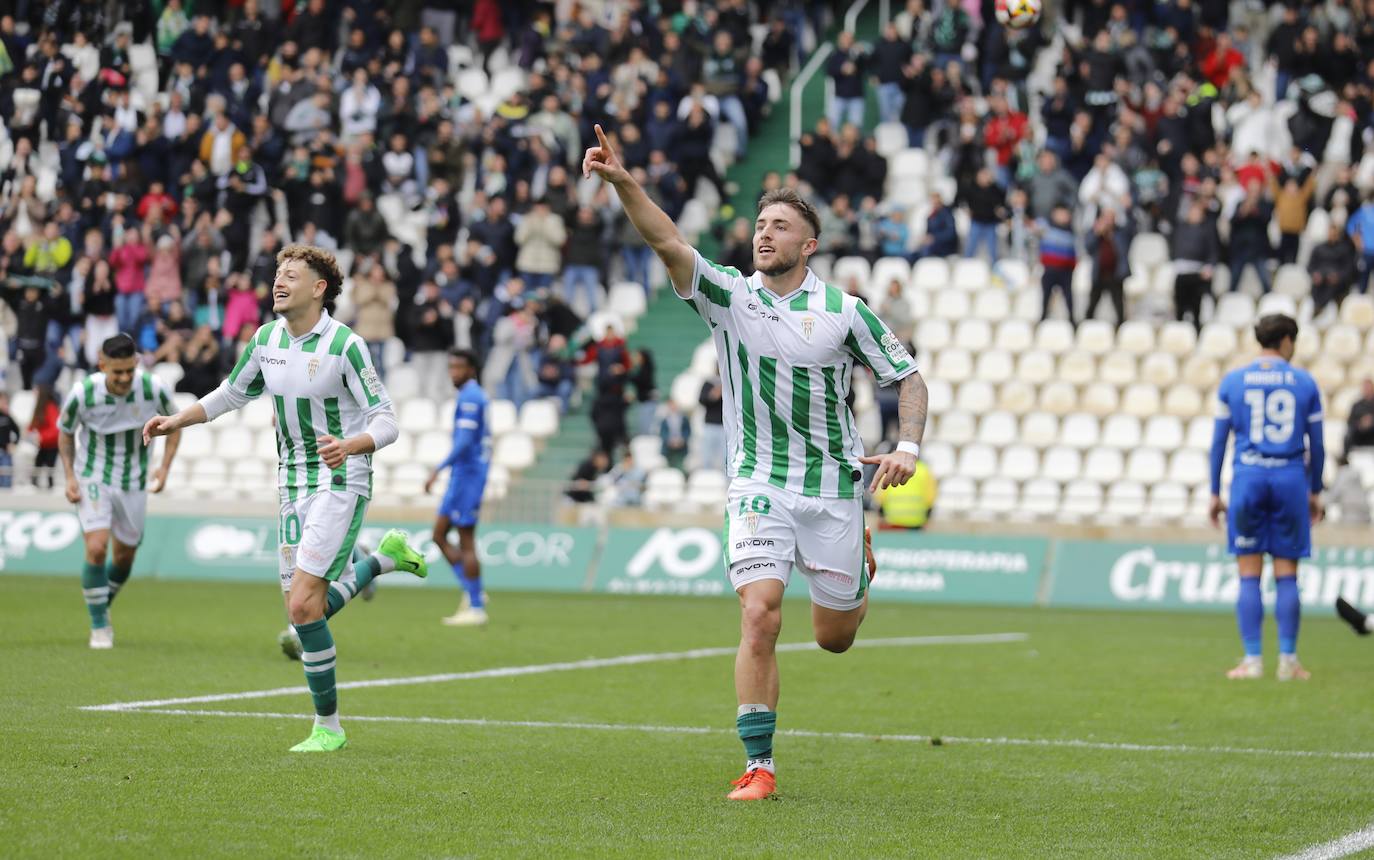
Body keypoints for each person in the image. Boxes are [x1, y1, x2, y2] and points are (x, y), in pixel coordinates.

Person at [584, 125, 927, 801]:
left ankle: (858, 566)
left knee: (833, 639)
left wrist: (908, 446)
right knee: (760, 614)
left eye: (781, 227)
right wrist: (623, 182)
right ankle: (759, 764)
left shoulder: (845, 312)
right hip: (758, 482)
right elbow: (668, 243)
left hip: (831, 488)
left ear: (810, 244)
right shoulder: (730, 296)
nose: (765, 235)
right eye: (761, 225)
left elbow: (908, 379)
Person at [144, 245, 429, 753]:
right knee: (303, 611)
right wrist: (176, 420)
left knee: (301, 606)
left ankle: (328, 728)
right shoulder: (266, 339)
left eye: (291, 276)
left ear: (318, 289)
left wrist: (352, 445)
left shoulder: (345, 345)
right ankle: (383, 558)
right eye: (278, 273)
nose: (279, 281)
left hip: (340, 478)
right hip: (291, 481)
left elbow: (386, 420)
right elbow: (231, 393)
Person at [1209, 314, 1325, 682]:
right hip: (1289, 478)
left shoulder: (1234, 381)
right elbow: (1317, 444)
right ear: (1287, 340)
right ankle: (1288, 661)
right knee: (1287, 573)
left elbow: (1219, 442)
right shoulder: (1304, 382)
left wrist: (1214, 491)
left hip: (1248, 477)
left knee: (1249, 574)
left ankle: (1252, 661)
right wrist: (1315, 490)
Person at [56, 335, 181, 649]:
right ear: (102, 365)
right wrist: (69, 476)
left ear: (136, 363)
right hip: (93, 476)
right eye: (117, 372)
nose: (125, 378)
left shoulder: (153, 388)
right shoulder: (83, 393)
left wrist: (164, 468)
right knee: (97, 547)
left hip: (134, 481)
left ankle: (99, 603)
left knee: (125, 557)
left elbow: (175, 424)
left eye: (129, 370)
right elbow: (66, 433)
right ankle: (100, 626)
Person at [425, 349, 492, 628]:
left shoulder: (471, 397)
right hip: (464, 475)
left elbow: (464, 442)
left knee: (465, 539)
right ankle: (473, 591)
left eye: (459, 367)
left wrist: (437, 469)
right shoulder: (471, 395)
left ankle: (476, 606)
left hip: (468, 476)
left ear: (471, 369)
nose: (454, 372)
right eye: (451, 367)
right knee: (439, 535)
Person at [874, 456, 937, 529]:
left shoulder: (891, 467)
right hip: (916, 521)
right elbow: (931, 496)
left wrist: (881, 514)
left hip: (892, 520)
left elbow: (881, 494)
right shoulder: (924, 469)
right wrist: (928, 515)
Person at [1345, 379, 1374, 454]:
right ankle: (1345, 456)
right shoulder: (1357, 405)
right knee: (1348, 434)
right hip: (1360, 435)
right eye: (1365, 388)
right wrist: (1361, 424)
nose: (1367, 390)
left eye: (1369, 387)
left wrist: (1371, 421)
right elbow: (1350, 422)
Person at [0, 393, 20, 488]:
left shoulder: (7, 417)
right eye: (2, 401)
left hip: (5, 452)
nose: (4, 403)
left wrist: (14, 444)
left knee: (6, 477)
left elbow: (17, 431)